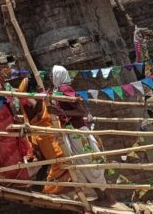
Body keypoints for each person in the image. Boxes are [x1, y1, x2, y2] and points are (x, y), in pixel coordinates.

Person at [51, 65, 113, 203]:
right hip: (71, 132)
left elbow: (80, 112)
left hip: (78, 131)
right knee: (84, 164)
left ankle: (107, 197)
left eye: (52, 74)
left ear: (58, 75)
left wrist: (60, 113)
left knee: (89, 162)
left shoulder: (65, 90)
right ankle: (102, 196)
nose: (50, 77)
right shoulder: (57, 90)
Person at [17, 76, 68, 193]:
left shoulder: (31, 97)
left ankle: (46, 187)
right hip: (44, 135)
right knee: (59, 160)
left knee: (54, 161)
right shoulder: (27, 99)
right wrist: (41, 96)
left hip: (48, 133)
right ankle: (50, 189)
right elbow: (36, 109)